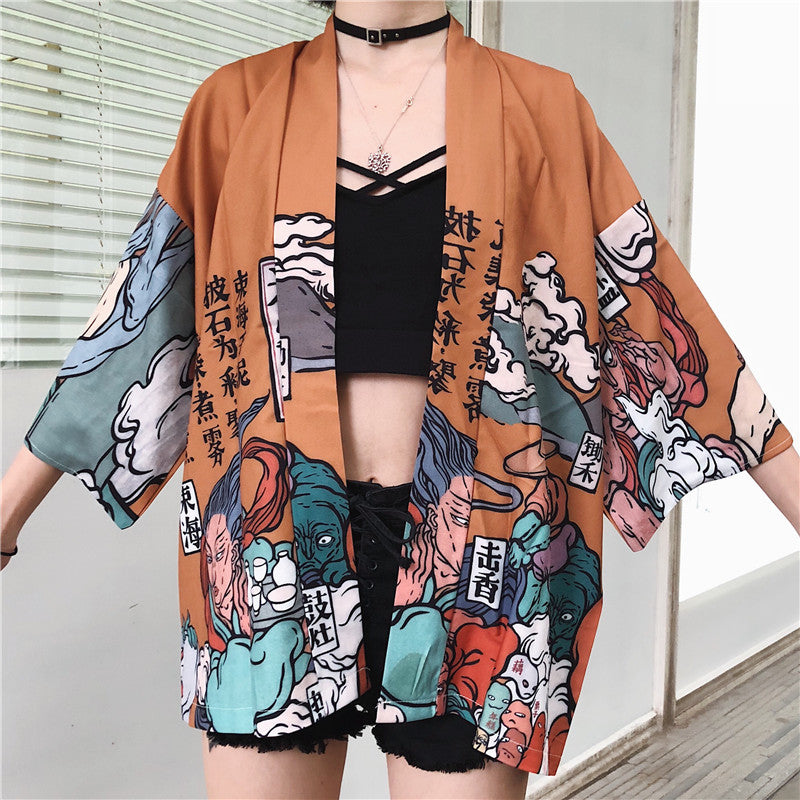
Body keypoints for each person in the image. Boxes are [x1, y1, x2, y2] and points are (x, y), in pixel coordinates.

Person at [1, 2, 798, 799]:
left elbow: (658, 314)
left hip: (478, 547)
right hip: (272, 539)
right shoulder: (235, 105)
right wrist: (6, 518)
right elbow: (140, 321)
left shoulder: (543, 107)